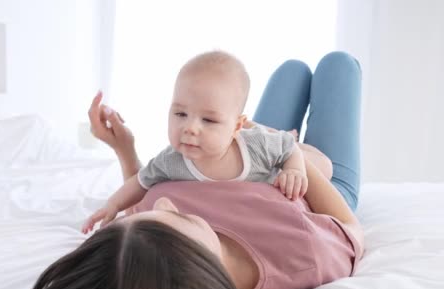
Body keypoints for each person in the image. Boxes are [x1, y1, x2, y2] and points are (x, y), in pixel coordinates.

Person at [0, 51, 364, 289]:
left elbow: (142, 193)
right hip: (310, 177)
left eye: (139, 217)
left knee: (291, 72)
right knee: (339, 65)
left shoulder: (146, 243)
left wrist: (124, 149)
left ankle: (245, 123)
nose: (163, 202)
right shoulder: (303, 255)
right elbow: (349, 227)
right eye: (174, 217)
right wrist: (294, 161)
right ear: (193, 264)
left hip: (245, 148)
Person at [82, 51, 308, 234]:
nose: (190, 128)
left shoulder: (255, 146)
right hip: (248, 131)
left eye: (208, 120)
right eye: (180, 114)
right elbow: (140, 182)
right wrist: (112, 204)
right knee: (295, 70)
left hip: (289, 150)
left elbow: (288, 147)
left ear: (237, 127)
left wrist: (295, 169)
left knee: (295, 73)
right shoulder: (171, 161)